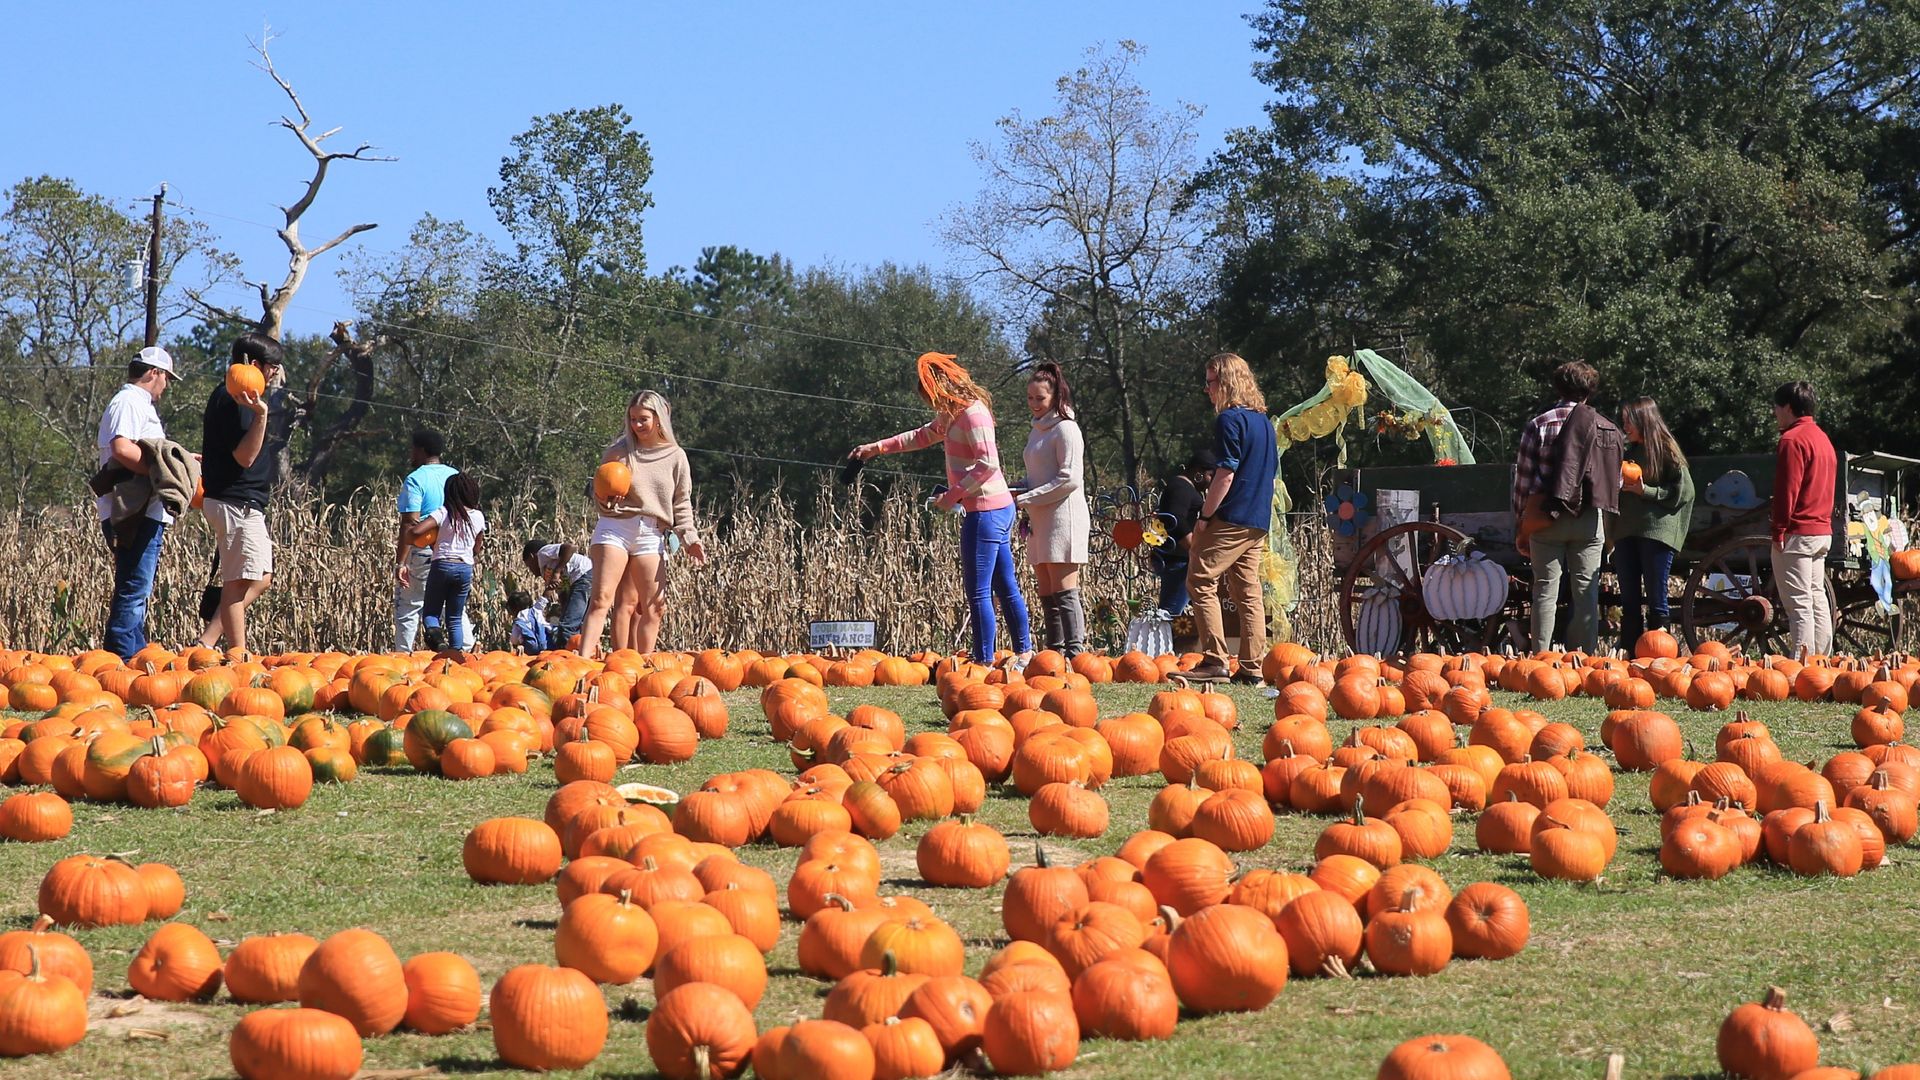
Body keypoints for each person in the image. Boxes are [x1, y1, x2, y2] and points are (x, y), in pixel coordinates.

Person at [854, 352, 1033, 667]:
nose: (932, 404)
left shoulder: (973, 415)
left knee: (978, 592)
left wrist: (952, 496)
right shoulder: (953, 412)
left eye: (931, 396)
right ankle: (1024, 654)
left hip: (986, 512)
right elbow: (922, 435)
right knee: (1005, 585)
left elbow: (987, 465)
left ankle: (983, 663)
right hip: (998, 508)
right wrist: (878, 448)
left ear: (943, 386)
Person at [576, 391, 707, 659]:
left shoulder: (675, 456)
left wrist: (690, 538)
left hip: (651, 532)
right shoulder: (618, 452)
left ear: (659, 419)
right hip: (616, 527)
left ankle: (645, 666)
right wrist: (603, 498)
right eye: (632, 419)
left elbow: (681, 503)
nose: (636, 425)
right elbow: (599, 496)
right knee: (602, 599)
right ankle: (583, 662)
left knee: (655, 606)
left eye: (643, 419)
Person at [1513, 360, 1622, 653]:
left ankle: (1541, 657)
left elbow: (1523, 481)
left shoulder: (1539, 424)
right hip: (1589, 519)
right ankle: (1583, 660)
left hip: (1548, 516)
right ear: (1591, 390)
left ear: (1558, 387)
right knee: (1586, 592)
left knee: (1545, 591)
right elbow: (1617, 480)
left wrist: (1522, 523)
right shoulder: (1607, 428)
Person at [1185, 353, 1278, 684]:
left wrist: (1204, 516)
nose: (1207, 389)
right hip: (1257, 519)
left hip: (1232, 516)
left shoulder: (1229, 420)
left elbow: (1225, 473)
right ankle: (1253, 669)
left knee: (1199, 579)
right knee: (1246, 589)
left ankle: (1214, 660)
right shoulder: (1264, 424)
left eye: (1210, 382)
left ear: (1225, 383)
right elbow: (1269, 477)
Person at [195, 333, 286, 653]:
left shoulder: (240, 396)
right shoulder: (235, 399)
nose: (275, 373)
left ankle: (206, 643)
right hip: (235, 502)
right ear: (252, 364)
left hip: (244, 502)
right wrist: (261, 415)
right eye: (272, 366)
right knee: (236, 585)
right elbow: (244, 457)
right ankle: (238, 655)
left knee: (261, 577)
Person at [94, 346, 184, 660]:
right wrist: (164, 472)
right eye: (166, 377)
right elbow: (122, 448)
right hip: (134, 510)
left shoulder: (136, 402)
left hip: (144, 509)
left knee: (137, 586)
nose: (167, 385)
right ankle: (122, 656)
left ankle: (135, 651)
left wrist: (182, 461)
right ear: (154, 373)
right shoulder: (129, 400)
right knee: (134, 585)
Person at [1014, 363, 1090, 657]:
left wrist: (1028, 496)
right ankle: (1053, 652)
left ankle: (1074, 653)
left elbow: (1069, 478)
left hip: (1062, 517)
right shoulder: (1037, 431)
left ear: (1055, 397)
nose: (1034, 404)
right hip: (1038, 517)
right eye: (1030, 398)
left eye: (1040, 398)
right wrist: (1019, 487)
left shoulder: (1066, 429)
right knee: (1045, 589)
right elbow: (1039, 475)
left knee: (1064, 589)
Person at [1612, 397, 1696, 650]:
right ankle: (1631, 653)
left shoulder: (1665, 450)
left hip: (1655, 532)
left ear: (1643, 420)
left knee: (1656, 596)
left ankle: (1661, 653)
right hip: (1626, 531)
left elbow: (1684, 492)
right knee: (1629, 598)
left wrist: (1645, 491)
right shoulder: (1627, 453)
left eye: (1629, 421)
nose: (1625, 426)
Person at [1769, 380, 1837, 658]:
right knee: (1816, 599)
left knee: (1798, 605)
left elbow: (1788, 490)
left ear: (1787, 407)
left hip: (1798, 531)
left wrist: (1778, 530)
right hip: (1822, 531)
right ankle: (1823, 661)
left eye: (1776, 407)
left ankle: (1802, 666)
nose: (1774, 412)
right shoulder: (1822, 438)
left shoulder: (1791, 440)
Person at [403, 472, 485, 651]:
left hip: (442, 565)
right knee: (454, 617)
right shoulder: (478, 516)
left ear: (448, 493)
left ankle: (439, 646)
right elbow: (477, 549)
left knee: (431, 613)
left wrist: (410, 534)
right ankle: (455, 655)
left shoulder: (443, 512)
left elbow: (417, 533)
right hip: (464, 568)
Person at [394, 429, 457, 652]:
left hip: (423, 551)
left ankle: (403, 657)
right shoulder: (456, 476)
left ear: (420, 450)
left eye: (412, 449)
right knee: (453, 607)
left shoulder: (416, 479)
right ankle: (464, 651)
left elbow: (410, 522)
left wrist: (401, 562)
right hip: (455, 552)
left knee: (409, 606)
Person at [1149, 449, 1216, 617]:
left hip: (1178, 559)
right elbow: (1175, 520)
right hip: (1178, 561)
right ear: (1198, 472)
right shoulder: (1181, 488)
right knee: (1170, 614)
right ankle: (1167, 642)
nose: (1211, 482)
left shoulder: (1182, 487)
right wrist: (1193, 546)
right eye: (1210, 475)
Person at [523, 538, 594, 650]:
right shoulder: (546, 571)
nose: (531, 571)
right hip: (585, 578)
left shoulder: (542, 553)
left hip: (583, 575)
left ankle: (567, 659)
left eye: (529, 566)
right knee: (579, 624)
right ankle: (584, 653)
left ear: (532, 556)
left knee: (567, 628)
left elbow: (570, 547)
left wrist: (557, 571)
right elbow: (564, 593)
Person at [508, 590, 553, 654]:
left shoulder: (518, 621)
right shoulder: (536, 610)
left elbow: (514, 640)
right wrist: (549, 588)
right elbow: (543, 599)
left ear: (513, 610)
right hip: (548, 646)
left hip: (531, 652)